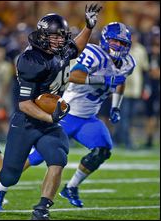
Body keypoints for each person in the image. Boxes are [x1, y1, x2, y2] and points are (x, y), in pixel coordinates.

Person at [0, 3, 102, 220]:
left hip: (48, 123)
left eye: (63, 36)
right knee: (9, 176)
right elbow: (24, 104)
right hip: (26, 121)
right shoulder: (31, 60)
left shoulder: (59, 50)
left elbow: (77, 47)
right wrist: (50, 116)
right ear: (43, 35)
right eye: (56, 36)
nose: (61, 40)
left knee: (58, 158)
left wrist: (88, 26)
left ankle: (42, 209)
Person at [26, 22, 135, 208]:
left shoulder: (127, 63)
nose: (119, 46)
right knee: (37, 157)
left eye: (123, 43)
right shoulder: (94, 54)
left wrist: (116, 106)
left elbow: (120, 81)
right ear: (105, 40)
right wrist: (104, 79)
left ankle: (71, 187)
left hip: (89, 118)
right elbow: (73, 75)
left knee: (102, 150)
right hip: (67, 113)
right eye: (115, 41)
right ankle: (2, 185)